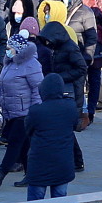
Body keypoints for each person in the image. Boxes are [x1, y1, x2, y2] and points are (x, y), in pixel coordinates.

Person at [0, 34, 43, 188]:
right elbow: (1, 88)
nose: (6, 51)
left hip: (25, 112)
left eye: (9, 48)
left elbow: (37, 89)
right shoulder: (9, 63)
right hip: (11, 111)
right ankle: (31, 176)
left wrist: (35, 111)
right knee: (24, 145)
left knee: (14, 142)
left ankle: (0, 173)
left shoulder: (31, 64)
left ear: (17, 49)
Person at [38, 21, 88, 172]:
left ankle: (77, 160)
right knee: (64, 128)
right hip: (64, 92)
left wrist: (59, 77)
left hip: (71, 93)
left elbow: (82, 68)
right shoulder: (58, 47)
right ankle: (75, 160)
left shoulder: (70, 48)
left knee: (66, 128)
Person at [25, 73, 77, 200]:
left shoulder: (35, 111)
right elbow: (75, 126)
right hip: (63, 163)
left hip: (39, 165)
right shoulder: (70, 106)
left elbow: (28, 130)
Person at [53, 0, 98, 67]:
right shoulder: (59, 10)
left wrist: (86, 58)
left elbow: (92, 37)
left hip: (78, 56)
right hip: (60, 57)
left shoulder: (86, 13)